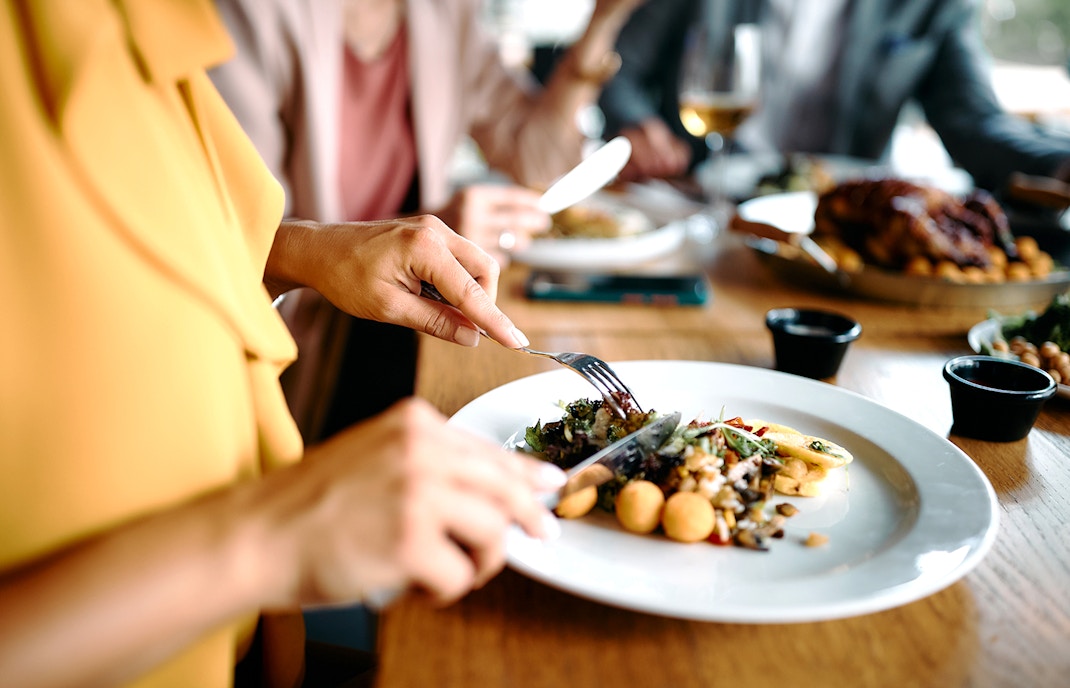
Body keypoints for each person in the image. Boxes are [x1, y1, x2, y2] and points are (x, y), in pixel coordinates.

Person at [0, 1, 566, 686]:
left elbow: (189, 242)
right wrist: (275, 533)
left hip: (251, 640)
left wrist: (308, 251)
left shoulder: (141, 24)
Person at [209, 0, 644, 446]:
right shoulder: (250, 13)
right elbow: (235, 234)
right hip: (298, 354)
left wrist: (602, 22)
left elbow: (539, 160)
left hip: (405, 331)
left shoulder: (444, 12)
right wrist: (422, 234)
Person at [598, 0, 1070, 193]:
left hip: (838, 224)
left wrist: (1058, 164)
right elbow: (618, 63)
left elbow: (974, 123)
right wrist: (634, 122)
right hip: (700, 200)